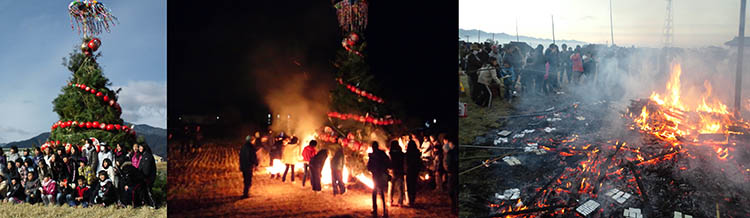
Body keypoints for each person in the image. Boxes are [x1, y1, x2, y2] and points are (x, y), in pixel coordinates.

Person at [367, 141, 390, 217]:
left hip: (377, 175)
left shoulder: (373, 155)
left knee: (375, 192)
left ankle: (375, 209)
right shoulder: (381, 154)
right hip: (380, 175)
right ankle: (383, 211)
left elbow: (369, 167)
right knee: (381, 192)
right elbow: (388, 162)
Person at [137, 144, 157, 208]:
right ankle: (148, 204)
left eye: (141, 147)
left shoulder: (147, 156)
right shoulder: (143, 155)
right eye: (139, 147)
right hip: (144, 177)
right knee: (144, 190)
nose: (139, 148)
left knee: (148, 191)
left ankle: (153, 205)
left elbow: (147, 168)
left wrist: (144, 176)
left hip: (148, 177)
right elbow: (140, 167)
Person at [388, 140, 405, 207]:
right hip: (400, 171)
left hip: (392, 171)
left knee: (391, 187)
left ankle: (390, 201)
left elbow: (389, 162)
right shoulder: (401, 153)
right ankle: (400, 202)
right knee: (400, 187)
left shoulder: (390, 153)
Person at [444, 138, 458, 215]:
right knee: (454, 191)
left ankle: (454, 208)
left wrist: (448, 169)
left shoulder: (451, 152)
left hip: (452, 174)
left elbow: (449, 163)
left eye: (449, 143)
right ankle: (454, 207)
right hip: (454, 173)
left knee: (452, 191)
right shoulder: (454, 152)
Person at [405, 140, 422, 207]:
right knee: (413, 185)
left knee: (409, 186)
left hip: (409, 171)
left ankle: (410, 201)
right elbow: (419, 161)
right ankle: (413, 200)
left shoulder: (408, 153)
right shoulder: (417, 153)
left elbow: (406, 162)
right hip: (415, 170)